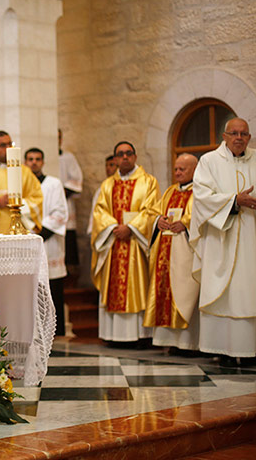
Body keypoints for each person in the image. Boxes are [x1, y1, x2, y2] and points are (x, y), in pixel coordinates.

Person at [190, 118, 256, 367]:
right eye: (233, 133)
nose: (239, 137)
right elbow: (202, 197)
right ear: (224, 136)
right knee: (226, 292)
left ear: (249, 137)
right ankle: (224, 350)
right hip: (222, 239)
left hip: (255, 239)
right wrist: (234, 201)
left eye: (244, 133)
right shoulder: (209, 162)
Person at [91, 141, 159, 344]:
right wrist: (113, 227)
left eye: (129, 153)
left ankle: (139, 336)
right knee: (114, 286)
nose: (125, 157)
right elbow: (99, 212)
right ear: (115, 159)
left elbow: (152, 210)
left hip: (136, 245)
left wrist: (131, 228)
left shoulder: (148, 182)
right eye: (120, 154)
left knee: (137, 286)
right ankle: (113, 335)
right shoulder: (107, 185)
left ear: (135, 156)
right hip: (114, 243)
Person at [143, 154, 200, 353]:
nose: (177, 172)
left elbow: (203, 217)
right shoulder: (169, 192)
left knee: (185, 294)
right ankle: (170, 342)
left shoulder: (200, 192)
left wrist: (185, 223)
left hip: (185, 253)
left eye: (182, 169)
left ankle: (188, 343)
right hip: (164, 253)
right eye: (176, 168)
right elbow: (152, 213)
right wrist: (158, 220)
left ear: (194, 169)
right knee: (164, 294)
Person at [25, 147, 69, 336]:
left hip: (49, 241)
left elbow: (60, 211)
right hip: (28, 242)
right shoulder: (21, 184)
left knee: (53, 287)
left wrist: (41, 232)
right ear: (25, 162)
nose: (34, 162)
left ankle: (56, 332)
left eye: (37, 159)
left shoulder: (54, 183)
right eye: (30, 159)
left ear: (42, 162)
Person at [58, 129, 84, 282]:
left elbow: (76, 179)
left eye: (58, 137)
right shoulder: (44, 157)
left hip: (65, 204)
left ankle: (71, 276)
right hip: (48, 209)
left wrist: (59, 193)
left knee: (69, 242)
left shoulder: (68, 158)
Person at [86, 155, 118, 236]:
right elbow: (95, 210)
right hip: (105, 230)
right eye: (106, 165)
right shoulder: (101, 189)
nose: (108, 168)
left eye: (111, 165)